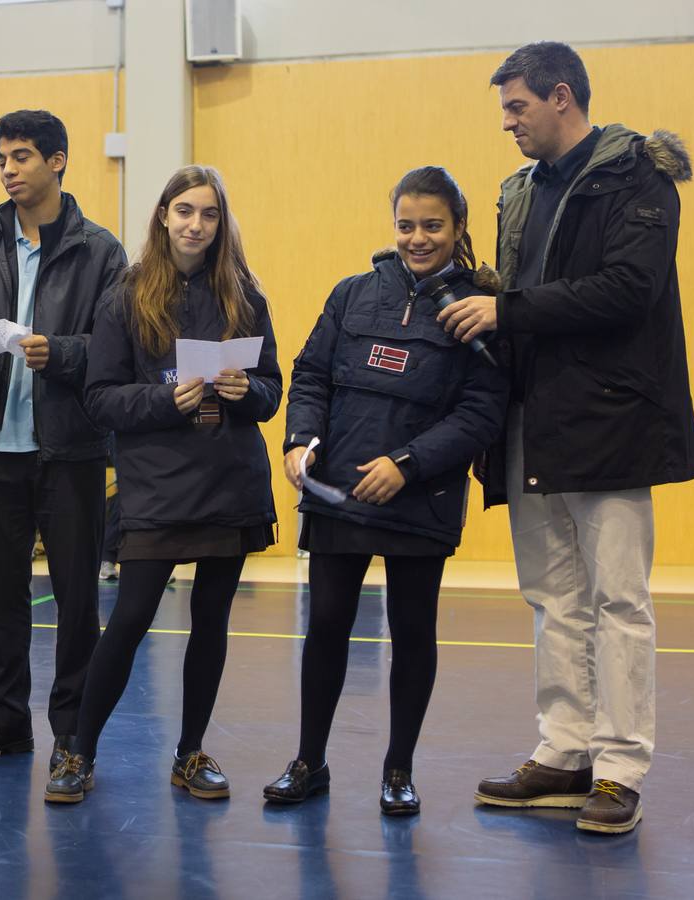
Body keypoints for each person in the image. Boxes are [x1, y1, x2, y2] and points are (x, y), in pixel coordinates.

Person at [437, 42, 694, 835]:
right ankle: (564, 752)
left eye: (516, 107)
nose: (507, 124)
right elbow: (522, 294)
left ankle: (618, 769)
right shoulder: (518, 191)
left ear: (561, 97)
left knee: (617, 601)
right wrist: (462, 284)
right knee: (553, 599)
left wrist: (506, 310)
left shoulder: (637, 175)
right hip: (532, 418)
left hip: (613, 419)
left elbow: (629, 288)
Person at [260, 167, 508, 814]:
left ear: (457, 227)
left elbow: (481, 413)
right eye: (406, 225)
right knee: (327, 630)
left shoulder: (474, 311)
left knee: (411, 633)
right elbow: (310, 374)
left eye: (432, 226)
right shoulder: (350, 295)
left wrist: (405, 463)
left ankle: (397, 770)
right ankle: (308, 761)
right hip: (337, 491)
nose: (417, 238)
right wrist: (299, 440)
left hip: (417, 499)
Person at [44, 165, 280, 804]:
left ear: (220, 222)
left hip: (230, 482)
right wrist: (165, 400)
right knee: (129, 621)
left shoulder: (245, 295)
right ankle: (77, 751)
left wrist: (247, 390)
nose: (196, 225)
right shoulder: (124, 297)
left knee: (212, 623)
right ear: (163, 217)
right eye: (184, 211)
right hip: (156, 487)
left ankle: (190, 752)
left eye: (208, 213)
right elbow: (101, 398)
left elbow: (272, 390)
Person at [0, 110, 127, 770]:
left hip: (70, 450)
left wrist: (65, 353)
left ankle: (71, 731)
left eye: (20, 156)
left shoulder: (99, 251)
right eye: (1, 159)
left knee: (76, 600)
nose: (8, 169)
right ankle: (5, 719)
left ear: (58, 160)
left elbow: (116, 349)